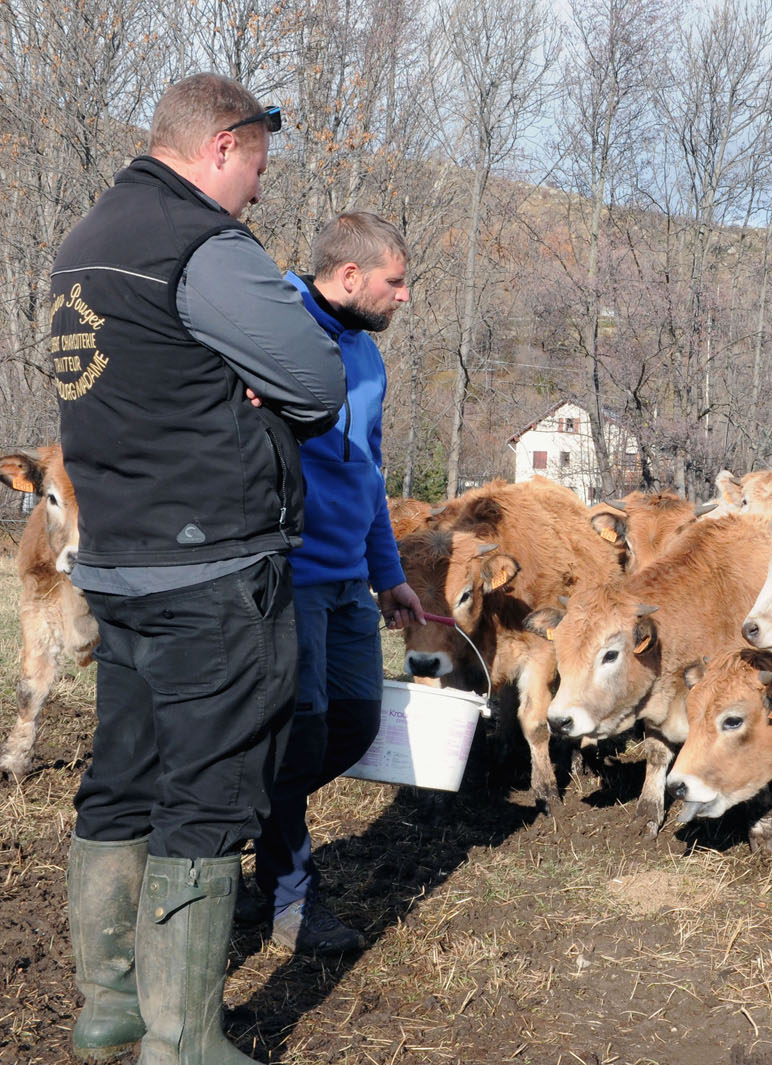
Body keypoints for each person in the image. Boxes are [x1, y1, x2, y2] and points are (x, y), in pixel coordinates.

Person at [52, 73, 345, 1063]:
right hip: (209, 570)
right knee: (210, 794)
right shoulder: (202, 246)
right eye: (258, 166)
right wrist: (270, 398)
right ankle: (182, 1043)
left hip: (119, 562)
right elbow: (315, 380)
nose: (259, 192)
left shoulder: (83, 246)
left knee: (121, 777)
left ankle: (110, 1007)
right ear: (222, 145)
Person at [249, 212, 423, 955]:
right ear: (350, 277)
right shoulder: (271, 325)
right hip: (288, 573)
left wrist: (389, 574)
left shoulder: (369, 358)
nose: (405, 297)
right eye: (395, 281)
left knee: (355, 725)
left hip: (351, 576)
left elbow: (369, 473)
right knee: (302, 733)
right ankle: (290, 897)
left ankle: (246, 822)